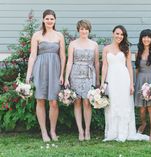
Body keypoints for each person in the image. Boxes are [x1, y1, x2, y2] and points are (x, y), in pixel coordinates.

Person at [101, 25, 149, 142]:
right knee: (112, 103)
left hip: (123, 79)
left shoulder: (125, 48)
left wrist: (131, 84)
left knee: (124, 104)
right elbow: (104, 66)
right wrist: (103, 83)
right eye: (117, 33)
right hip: (111, 78)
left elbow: (129, 66)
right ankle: (112, 132)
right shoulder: (106, 49)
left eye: (122, 34)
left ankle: (124, 131)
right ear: (113, 34)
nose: (119, 36)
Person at [26, 9, 66, 142]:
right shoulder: (37, 35)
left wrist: (62, 74)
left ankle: (52, 130)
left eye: (52, 19)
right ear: (43, 20)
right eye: (47, 18)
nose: (49, 21)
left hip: (55, 69)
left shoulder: (59, 35)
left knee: (54, 102)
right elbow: (32, 56)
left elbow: (63, 56)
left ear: (55, 21)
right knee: (40, 99)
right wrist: (28, 75)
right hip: (40, 68)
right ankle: (44, 131)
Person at [64, 20, 99, 141]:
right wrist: (66, 77)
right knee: (77, 102)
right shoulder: (73, 44)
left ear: (89, 30)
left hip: (89, 74)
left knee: (87, 102)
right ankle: (80, 131)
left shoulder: (94, 44)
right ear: (78, 30)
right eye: (81, 29)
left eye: (86, 29)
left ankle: (88, 130)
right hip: (75, 74)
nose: (84, 31)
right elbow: (69, 62)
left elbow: (96, 63)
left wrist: (98, 80)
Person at [134, 29, 151, 141]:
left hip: (150, 80)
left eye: (148, 37)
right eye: (144, 37)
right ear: (141, 39)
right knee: (142, 109)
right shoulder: (138, 53)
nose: (146, 39)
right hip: (140, 80)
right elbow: (137, 69)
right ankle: (144, 123)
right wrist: (135, 83)